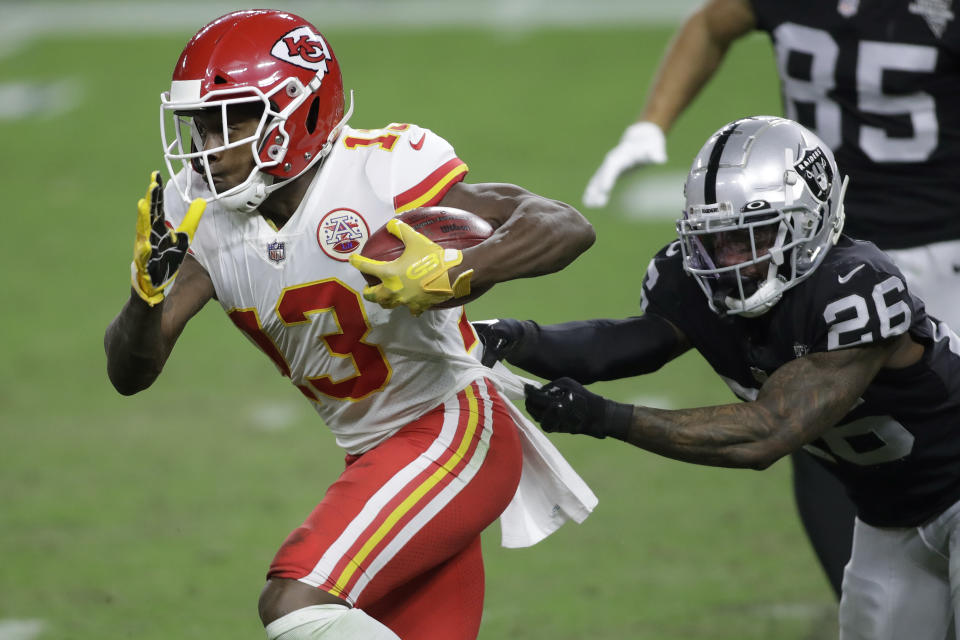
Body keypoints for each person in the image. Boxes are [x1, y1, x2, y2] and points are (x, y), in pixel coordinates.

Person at [103, 9, 599, 640]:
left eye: (230, 118)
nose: (208, 144)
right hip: (372, 455)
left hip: (450, 429)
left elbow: (563, 225)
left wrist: (458, 272)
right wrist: (143, 300)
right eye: (200, 123)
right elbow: (130, 374)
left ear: (298, 112)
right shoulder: (199, 211)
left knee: (294, 602)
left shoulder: (380, 172)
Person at [479, 115, 960, 639]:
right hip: (889, 517)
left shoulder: (853, 289)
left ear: (808, 221)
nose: (729, 261)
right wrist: (517, 336)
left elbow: (767, 432)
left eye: (750, 237)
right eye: (716, 239)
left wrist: (604, 417)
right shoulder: (697, 280)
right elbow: (627, 344)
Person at [582, 0, 960, 597]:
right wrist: (650, 123)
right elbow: (711, 23)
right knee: (825, 432)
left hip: (942, 243)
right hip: (805, 245)